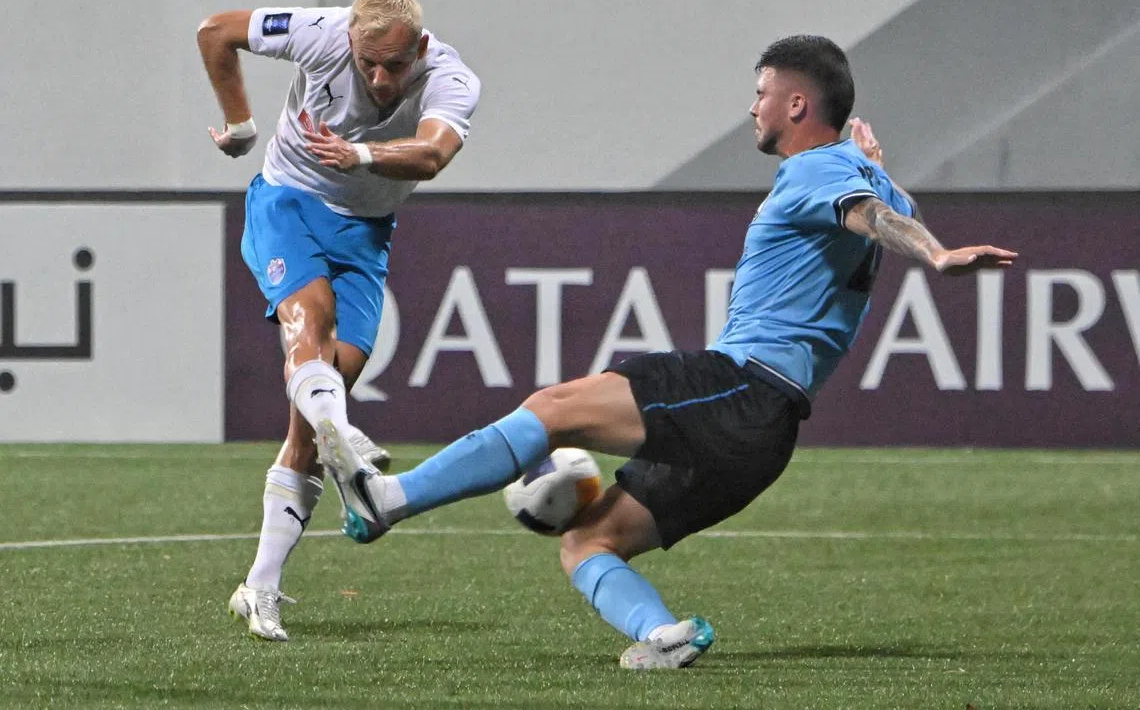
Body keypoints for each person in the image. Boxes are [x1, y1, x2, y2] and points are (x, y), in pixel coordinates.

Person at [318, 35, 1017, 668]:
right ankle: (663, 635)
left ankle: (388, 501)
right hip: (767, 441)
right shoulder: (860, 171)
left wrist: (936, 255)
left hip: (741, 389)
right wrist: (886, 184)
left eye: (762, 93)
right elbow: (886, 205)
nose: (752, 108)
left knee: (552, 408)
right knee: (587, 543)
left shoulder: (820, 171)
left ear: (798, 103)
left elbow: (872, 216)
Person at [197, 0, 480, 641]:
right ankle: (343, 435)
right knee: (311, 319)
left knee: (316, 406)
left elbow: (434, 153)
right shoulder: (319, 30)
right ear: (348, 40)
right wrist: (240, 121)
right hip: (287, 201)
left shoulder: (452, 76)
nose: (381, 79)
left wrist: (358, 153)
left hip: (366, 234)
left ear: (421, 48)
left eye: (395, 66)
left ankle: (260, 586)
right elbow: (216, 31)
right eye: (367, 62)